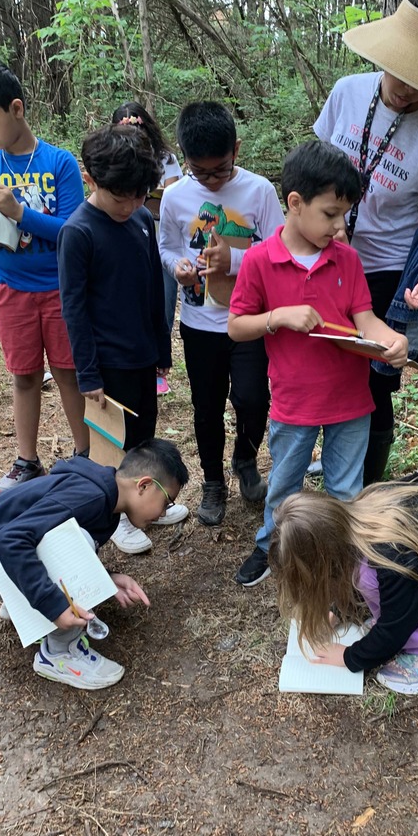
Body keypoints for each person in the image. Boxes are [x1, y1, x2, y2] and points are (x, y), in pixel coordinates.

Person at [314, 0, 418, 484]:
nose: (408, 88)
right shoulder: (347, 91)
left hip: (385, 271)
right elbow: (312, 171)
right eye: (402, 71)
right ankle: (338, 452)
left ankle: (365, 486)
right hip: (326, 255)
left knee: (372, 381)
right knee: (324, 364)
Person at [228, 141, 409, 587]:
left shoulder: (347, 259)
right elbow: (236, 326)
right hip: (294, 402)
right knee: (285, 486)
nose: (338, 225)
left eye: (344, 214)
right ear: (295, 203)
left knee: (346, 489)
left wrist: (392, 340)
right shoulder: (259, 261)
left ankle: (343, 560)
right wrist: (278, 317)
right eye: (330, 214)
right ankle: (271, 546)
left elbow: (364, 319)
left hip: (350, 400)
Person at [0, 438, 189, 689]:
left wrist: (105, 577)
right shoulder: (91, 497)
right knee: (81, 540)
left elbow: (54, 547)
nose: (164, 513)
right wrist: (53, 606)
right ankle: (59, 653)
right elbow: (10, 540)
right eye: (166, 502)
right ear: (144, 485)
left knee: (77, 540)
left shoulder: (106, 499)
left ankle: (22, 604)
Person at [0, 58, 88, 491]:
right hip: (9, 288)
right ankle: (26, 460)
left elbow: (72, 230)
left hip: (59, 288)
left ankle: (84, 455)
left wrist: (20, 212)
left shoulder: (59, 163)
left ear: (16, 109)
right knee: (25, 374)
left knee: (68, 372)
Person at [58, 123, 188, 555]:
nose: (131, 204)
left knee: (143, 434)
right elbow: (73, 309)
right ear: (91, 180)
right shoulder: (78, 232)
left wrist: (161, 346)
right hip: (106, 362)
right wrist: (88, 373)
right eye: (121, 196)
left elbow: (155, 285)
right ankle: (115, 520)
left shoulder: (140, 221)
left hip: (141, 354)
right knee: (111, 447)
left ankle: (146, 502)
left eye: (139, 196)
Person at [269, 468, 418, 695]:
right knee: (371, 580)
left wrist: (349, 657)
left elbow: (395, 626)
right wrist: (339, 610)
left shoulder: (388, 558)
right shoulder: (359, 521)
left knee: (369, 580)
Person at [159, 101, 283, 526]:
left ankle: (245, 460)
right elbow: (167, 245)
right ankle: (213, 481)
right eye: (201, 171)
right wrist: (176, 265)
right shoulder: (175, 197)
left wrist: (232, 261)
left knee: (252, 398)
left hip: (248, 319)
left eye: (221, 169)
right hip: (199, 321)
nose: (211, 180)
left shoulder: (259, 192)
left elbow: (278, 251)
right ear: (184, 158)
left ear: (237, 150)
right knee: (206, 405)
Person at [112, 102, 182, 395]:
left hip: (162, 238)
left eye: (137, 130)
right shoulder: (111, 158)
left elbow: (176, 195)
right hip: (128, 238)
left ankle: (159, 365)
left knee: (163, 302)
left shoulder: (166, 159)